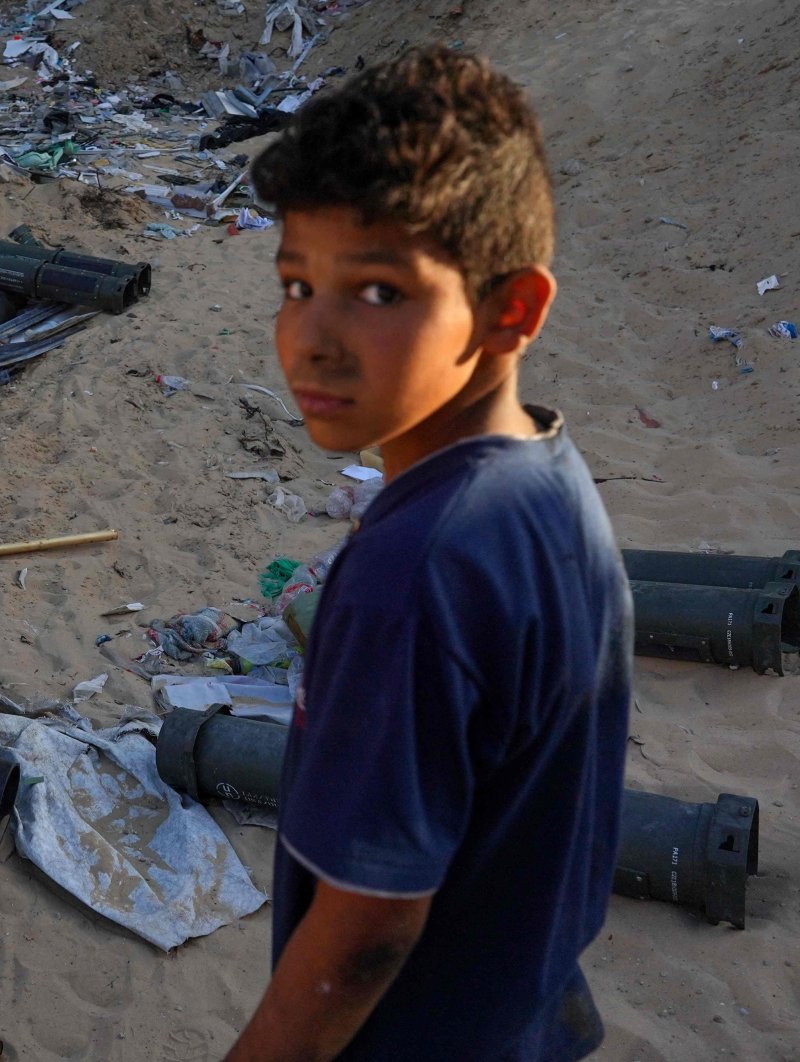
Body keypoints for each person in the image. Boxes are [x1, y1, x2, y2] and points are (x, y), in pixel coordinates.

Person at [222, 46, 633, 1061]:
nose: (308, 339)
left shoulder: (412, 575)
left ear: (512, 309)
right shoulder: (546, 482)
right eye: (293, 283)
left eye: (375, 294)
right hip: (528, 1019)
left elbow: (365, 931)